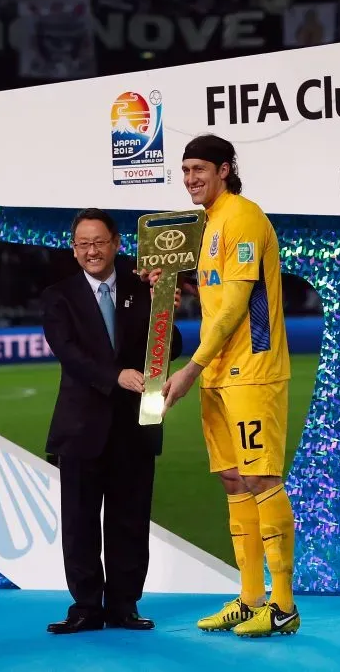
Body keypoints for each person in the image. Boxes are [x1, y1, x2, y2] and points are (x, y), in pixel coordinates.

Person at [144, 134, 298, 638]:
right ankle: (251, 597)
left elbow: (234, 307)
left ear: (225, 169)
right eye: (185, 170)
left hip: (252, 371)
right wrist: (167, 279)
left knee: (262, 479)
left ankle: (283, 604)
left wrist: (189, 367)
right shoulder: (209, 225)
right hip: (219, 373)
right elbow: (212, 293)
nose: (190, 178)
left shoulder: (243, 217)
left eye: (199, 170)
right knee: (234, 480)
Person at [43, 208, 182, 634]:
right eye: (83, 244)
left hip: (135, 425)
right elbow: (68, 352)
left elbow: (171, 345)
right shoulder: (59, 295)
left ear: (117, 243)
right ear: (73, 249)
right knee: (80, 522)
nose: (91, 251)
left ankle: (123, 605)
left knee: (130, 520)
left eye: (99, 242)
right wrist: (114, 376)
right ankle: (86, 606)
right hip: (81, 427)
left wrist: (166, 307)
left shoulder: (145, 287)